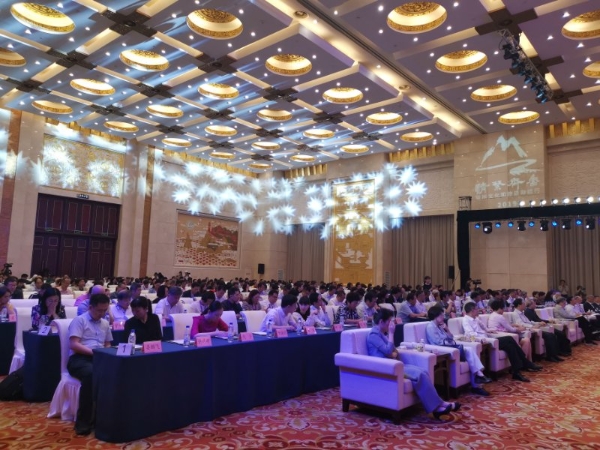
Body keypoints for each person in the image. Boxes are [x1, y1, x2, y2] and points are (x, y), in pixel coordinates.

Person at [368, 309, 459, 419]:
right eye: (389, 321)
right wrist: (391, 334)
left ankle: (439, 405)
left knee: (423, 371)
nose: (391, 324)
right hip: (387, 367)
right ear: (381, 321)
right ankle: (439, 406)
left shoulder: (381, 334)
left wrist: (392, 352)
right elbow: (388, 350)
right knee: (419, 375)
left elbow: (394, 351)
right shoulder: (373, 335)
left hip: (395, 364)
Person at [67, 293, 113, 435]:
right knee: (91, 374)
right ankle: (83, 422)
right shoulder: (80, 320)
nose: (102, 313)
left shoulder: (105, 323)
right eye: (99, 310)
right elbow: (74, 344)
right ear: (90, 307)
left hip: (99, 357)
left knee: (119, 370)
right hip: (79, 359)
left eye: (105, 310)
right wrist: (95, 353)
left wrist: (106, 353)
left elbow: (107, 343)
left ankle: (109, 417)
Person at [462, 302, 539, 382]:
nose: (478, 310)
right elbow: (470, 334)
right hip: (484, 341)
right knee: (509, 339)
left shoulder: (476, 318)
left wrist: (490, 330)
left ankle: (516, 372)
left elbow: (485, 328)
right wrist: (481, 338)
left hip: (489, 338)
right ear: (472, 310)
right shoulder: (466, 320)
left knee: (510, 346)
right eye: (476, 309)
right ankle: (525, 362)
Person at [426, 306, 491, 396]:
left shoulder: (440, 326)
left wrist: (447, 329)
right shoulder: (430, 327)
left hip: (449, 346)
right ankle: (478, 380)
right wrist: (448, 341)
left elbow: (451, 337)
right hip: (442, 349)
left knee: (470, 350)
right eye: (441, 315)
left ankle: (478, 378)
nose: (443, 317)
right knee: (469, 352)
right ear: (435, 316)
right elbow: (437, 342)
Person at [512, 298, 563, 362]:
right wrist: (533, 326)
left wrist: (538, 323)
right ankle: (550, 356)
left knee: (552, 335)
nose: (525, 305)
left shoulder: (522, 313)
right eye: (523, 304)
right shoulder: (515, 314)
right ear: (519, 305)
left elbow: (529, 322)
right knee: (549, 336)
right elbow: (521, 324)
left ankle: (554, 355)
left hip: (532, 328)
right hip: (528, 330)